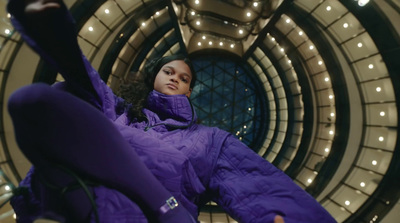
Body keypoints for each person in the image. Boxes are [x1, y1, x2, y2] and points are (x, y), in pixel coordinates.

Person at [6, 0, 336, 223]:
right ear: (154, 79)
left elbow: (251, 179)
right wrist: (56, 37)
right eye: (169, 72)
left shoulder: (208, 139)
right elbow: (90, 88)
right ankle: (53, 32)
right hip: (93, 194)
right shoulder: (123, 112)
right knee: (45, 98)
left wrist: (282, 216)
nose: (176, 78)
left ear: (190, 90)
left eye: (184, 78)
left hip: (166, 208)